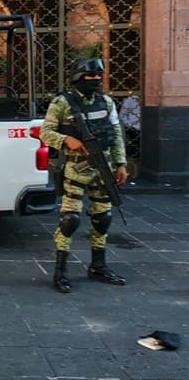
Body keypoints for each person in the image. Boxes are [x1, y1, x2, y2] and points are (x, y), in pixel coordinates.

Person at [40, 58, 128, 293]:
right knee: (70, 220)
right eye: (90, 76)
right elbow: (45, 132)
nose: (96, 80)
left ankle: (98, 266)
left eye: (99, 76)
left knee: (103, 218)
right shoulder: (62, 103)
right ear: (78, 77)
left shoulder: (106, 102)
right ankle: (60, 272)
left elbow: (116, 134)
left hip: (104, 169)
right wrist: (67, 140)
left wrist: (121, 163)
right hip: (76, 170)